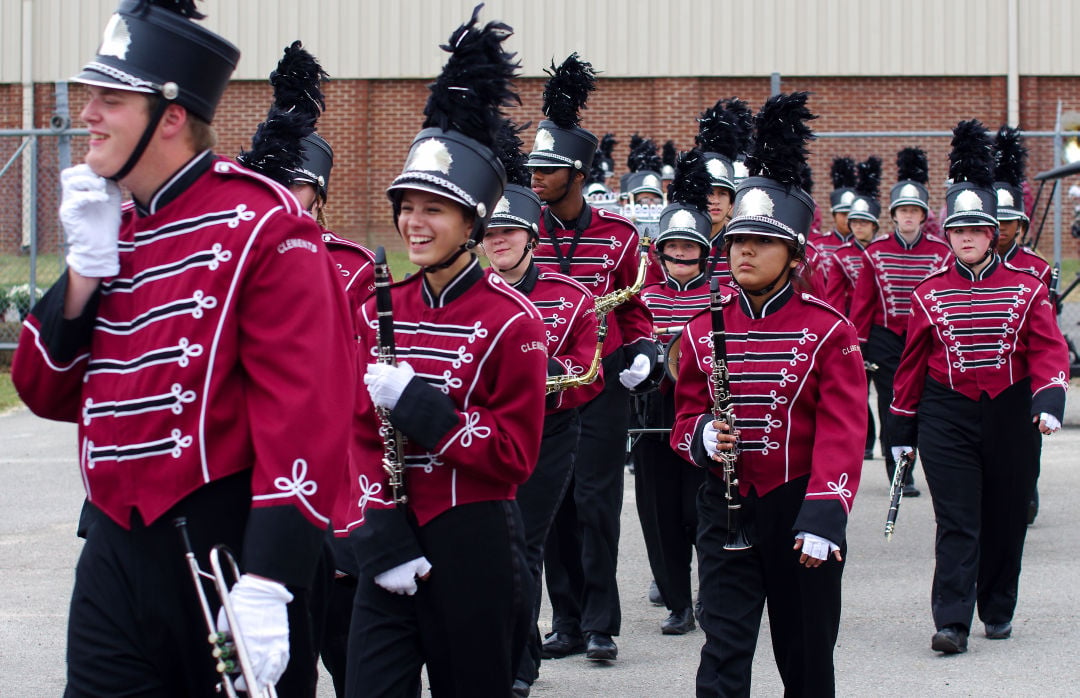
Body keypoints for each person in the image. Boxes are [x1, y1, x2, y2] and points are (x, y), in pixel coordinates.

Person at [10, 2, 355, 695]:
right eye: (91, 97)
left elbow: (306, 411)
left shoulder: (265, 226)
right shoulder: (114, 225)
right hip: (113, 543)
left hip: (225, 548)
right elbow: (43, 391)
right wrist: (84, 266)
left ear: (170, 116)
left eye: (112, 99)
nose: (91, 115)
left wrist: (270, 578)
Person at [340, 9, 547, 696]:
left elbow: (515, 454)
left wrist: (422, 408)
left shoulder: (512, 319)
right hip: (387, 536)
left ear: (473, 223)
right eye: (407, 205)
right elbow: (349, 430)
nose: (413, 223)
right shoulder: (371, 305)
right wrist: (379, 529)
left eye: (434, 209)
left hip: (473, 541)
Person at [671, 92, 866, 696]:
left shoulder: (828, 330)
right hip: (725, 506)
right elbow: (683, 419)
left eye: (762, 243)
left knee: (805, 658)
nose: (744, 252)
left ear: (794, 254)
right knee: (723, 653)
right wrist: (702, 437)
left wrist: (825, 515)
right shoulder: (704, 326)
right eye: (736, 242)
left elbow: (843, 429)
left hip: (799, 509)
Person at [889, 120, 1069, 655]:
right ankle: (952, 621)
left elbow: (1047, 347)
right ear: (949, 236)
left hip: (1012, 409)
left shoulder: (1027, 286)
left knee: (1008, 513)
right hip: (947, 411)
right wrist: (902, 425)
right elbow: (911, 363)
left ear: (994, 234)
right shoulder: (928, 292)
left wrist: (1049, 397)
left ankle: (997, 607)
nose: (967, 239)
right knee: (958, 517)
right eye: (958, 231)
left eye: (977, 230)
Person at [237, 40, 378, 697]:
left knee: (353, 652)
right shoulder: (232, 261)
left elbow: (358, 392)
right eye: (276, 181)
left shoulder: (352, 268)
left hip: (337, 485)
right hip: (253, 482)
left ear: (318, 195)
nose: (286, 196)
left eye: (298, 184)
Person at [529, 53, 657, 663]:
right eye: (532, 166)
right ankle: (568, 619)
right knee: (550, 507)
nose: (536, 178)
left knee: (597, 503)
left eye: (548, 168)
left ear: (578, 173)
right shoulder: (520, 229)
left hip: (601, 384)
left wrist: (639, 352)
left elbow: (637, 308)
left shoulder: (621, 235)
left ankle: (603, 621)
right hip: (540, 386)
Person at [481, 120, 602, 697]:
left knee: (524, 548)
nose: (498, 239)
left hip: (549, 433)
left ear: (531, 236)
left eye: (509, 230)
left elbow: (587, 374)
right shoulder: (469, 293)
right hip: (480, 435)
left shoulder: (572, 297)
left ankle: (519, 663)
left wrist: (539, 372)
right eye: (489, 231)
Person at [631, 149, 712, 636]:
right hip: (651, 410)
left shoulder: (723, 293)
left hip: (702, 410)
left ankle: (711, 591)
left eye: (691, 250)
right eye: (673, 250)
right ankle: (677, 601)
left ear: (705, 251)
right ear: (659, 250)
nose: (681, 259)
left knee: (700, 505)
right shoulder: (641, 292)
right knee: (658, 512)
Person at [851, 146, 952, 492]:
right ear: (894, 215)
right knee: (891, 402)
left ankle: (919, 463)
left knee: (923, 404)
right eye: (903, 211)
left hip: (926, 339)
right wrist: (859, 346)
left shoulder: (941, 253)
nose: (908, 217)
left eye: (914, 211)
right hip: (886, 339)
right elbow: (862, 303)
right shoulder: (875, 252)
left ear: (923, 216)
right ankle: (899, 474)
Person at [992, 126, 1052, 526]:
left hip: (1027, 367)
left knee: (1027, 442)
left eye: (1009, 223)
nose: (1002, 230)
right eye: (996, 222)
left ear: (1020, 227)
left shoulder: (1038, 267)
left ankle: (1027, 491)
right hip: (993, 364)